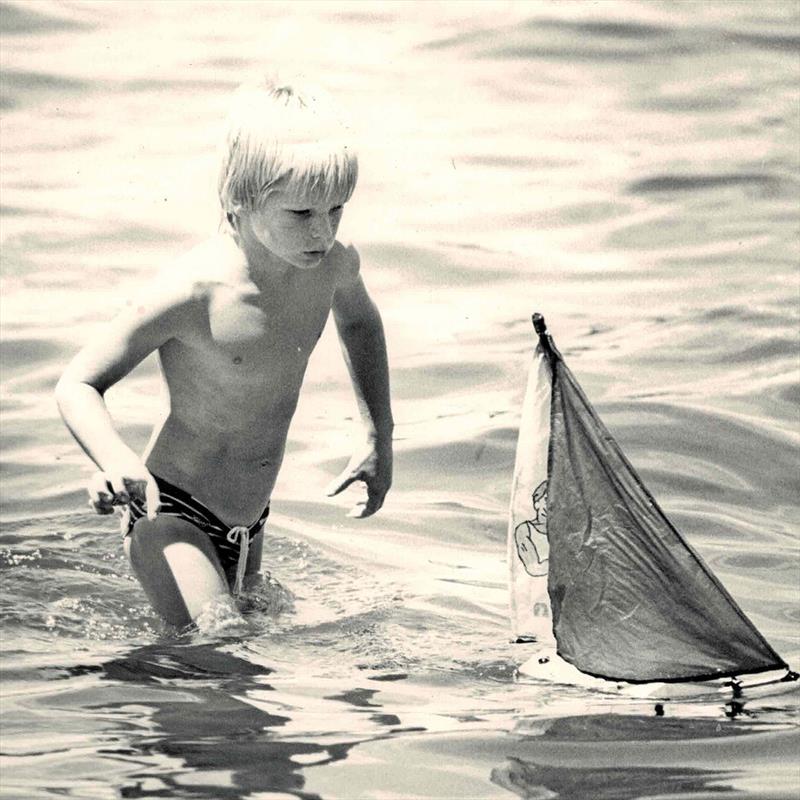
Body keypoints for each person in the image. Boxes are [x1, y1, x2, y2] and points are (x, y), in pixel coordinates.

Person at [55, 77, 393, 627]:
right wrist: (118, 463)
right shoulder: (195, 291)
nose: (324, 231)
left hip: (251, 520)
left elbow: (359, 321)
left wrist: (378, 437)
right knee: (221, 654)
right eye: (302, 214)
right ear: (242, 198)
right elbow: (78, 384)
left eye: (337, 209)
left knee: (242, 689)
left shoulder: (332, 265)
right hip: (172, 512)